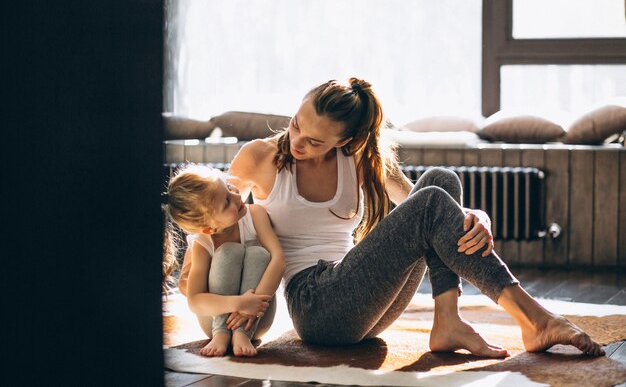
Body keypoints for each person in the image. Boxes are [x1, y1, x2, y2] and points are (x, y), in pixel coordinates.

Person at [181, 77, 604, 358]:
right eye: (295, 126)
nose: (296, 142)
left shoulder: (360, 159)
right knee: (436, 197)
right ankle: (535, 320)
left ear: (345, 139)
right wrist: (194, 269)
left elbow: (425, 202)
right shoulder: (260, 156)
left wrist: (476, 215)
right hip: (315, 306)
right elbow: (212, 207)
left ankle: (447, 320)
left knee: (441, 180)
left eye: (313, 140)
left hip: (365, 301)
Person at [162, 165, 285, 357]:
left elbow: (279, 260)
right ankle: (222, 335)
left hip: (257, 317)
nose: (237, 197)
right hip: (215, 324)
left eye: (229, 187)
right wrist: (239, 304)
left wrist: (251, 306)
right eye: (227, 202)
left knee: (259, 254)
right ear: (208, 229)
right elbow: (195, 301)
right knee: (228, 251)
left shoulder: (256, 214)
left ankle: (242, 334)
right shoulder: (202, 244)